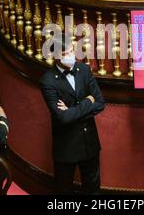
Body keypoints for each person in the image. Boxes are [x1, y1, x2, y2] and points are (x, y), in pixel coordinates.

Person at [39, 35, 105, 194]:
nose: (71, 56)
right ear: (55, 56)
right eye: (65, 53)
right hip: (66, 145)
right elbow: (62, 118)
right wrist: (87, 103)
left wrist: (71, 111)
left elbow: (100, 103)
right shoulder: (48, 81)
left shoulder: (83, 70)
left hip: (89, 142)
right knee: (63, 189)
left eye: (71, 51)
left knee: (93, 189)